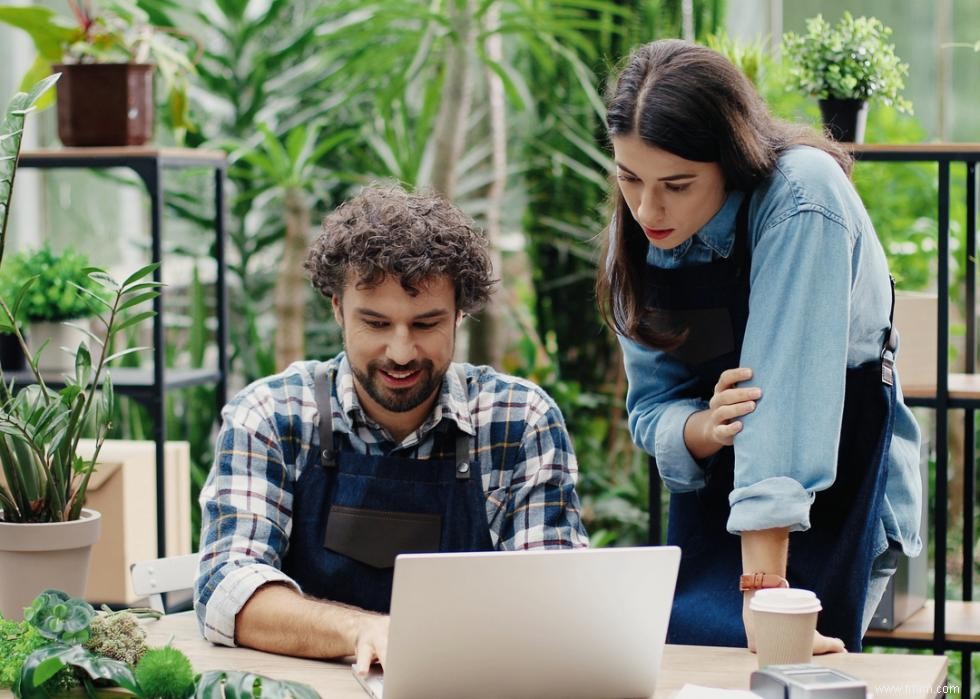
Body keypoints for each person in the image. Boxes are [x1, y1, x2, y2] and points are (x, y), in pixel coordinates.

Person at [595, 39, 922, 654]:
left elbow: (778, 410)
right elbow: (652, 408)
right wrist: (702, 429)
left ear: (733, 158)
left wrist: (765, 596)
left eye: (678, 183)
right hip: (714, 503)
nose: (646, 208)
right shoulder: (640, 225)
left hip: (830, 488)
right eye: (628, 176)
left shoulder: (803, 196)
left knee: (787, 676)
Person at [195, 185, 588, 672]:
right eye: (376, 323)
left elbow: (554, 602)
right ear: (337, 308)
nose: (400, 353)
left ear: (460, 315)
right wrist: (363, 630)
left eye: (426, 324)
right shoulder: (271, 415)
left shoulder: (518, 420)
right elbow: (226, 592)